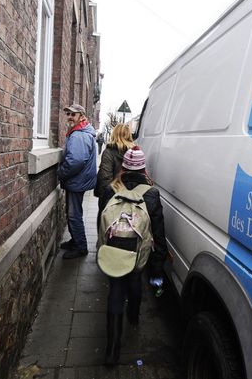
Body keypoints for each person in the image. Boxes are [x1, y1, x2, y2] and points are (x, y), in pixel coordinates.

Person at [98, 146, 167, 365]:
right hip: (136, 251)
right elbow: (158, 232)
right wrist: (158, 265)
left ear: (124, 167)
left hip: (114, 247)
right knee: (135, 280)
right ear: (143, 167)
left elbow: (101, 219)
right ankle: (134, 316)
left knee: (115, 291)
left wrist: (101, 247)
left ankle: (111, 350)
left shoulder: (111, 189)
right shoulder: (152, 194)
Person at [57, 104, 97, 259]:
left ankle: (81, 247)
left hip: (77, 181)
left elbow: (75, 161)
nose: (69, 117)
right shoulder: (80, 131)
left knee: (74, 215)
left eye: (73, 115)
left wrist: (61, 173)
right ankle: (75, 241)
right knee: (73, 213)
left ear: (81, 116)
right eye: (68, 114)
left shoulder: (79, 135)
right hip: (79, 180)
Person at [94, 124, 135, 213]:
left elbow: (105, 179)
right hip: (131, 200)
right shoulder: (135, 153)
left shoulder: (109, 152)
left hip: (110, 201)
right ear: (128, 135)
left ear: (114, 134)